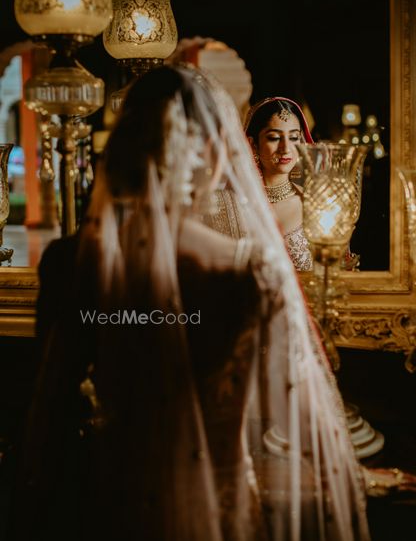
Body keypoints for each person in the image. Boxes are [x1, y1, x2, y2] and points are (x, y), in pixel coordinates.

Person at [12, 65, 370, 541]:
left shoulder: (69, 263)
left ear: (123, 148)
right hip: (220, 509)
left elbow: (50, 418)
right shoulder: (250, 269)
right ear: (220, 156)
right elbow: (300, 422)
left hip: (108, 500)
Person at [244, 97, 314, 272]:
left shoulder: (315, 205)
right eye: (274, 137)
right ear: (253, 144)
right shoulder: (233, 205)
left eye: (294, 137)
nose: (286, 148)